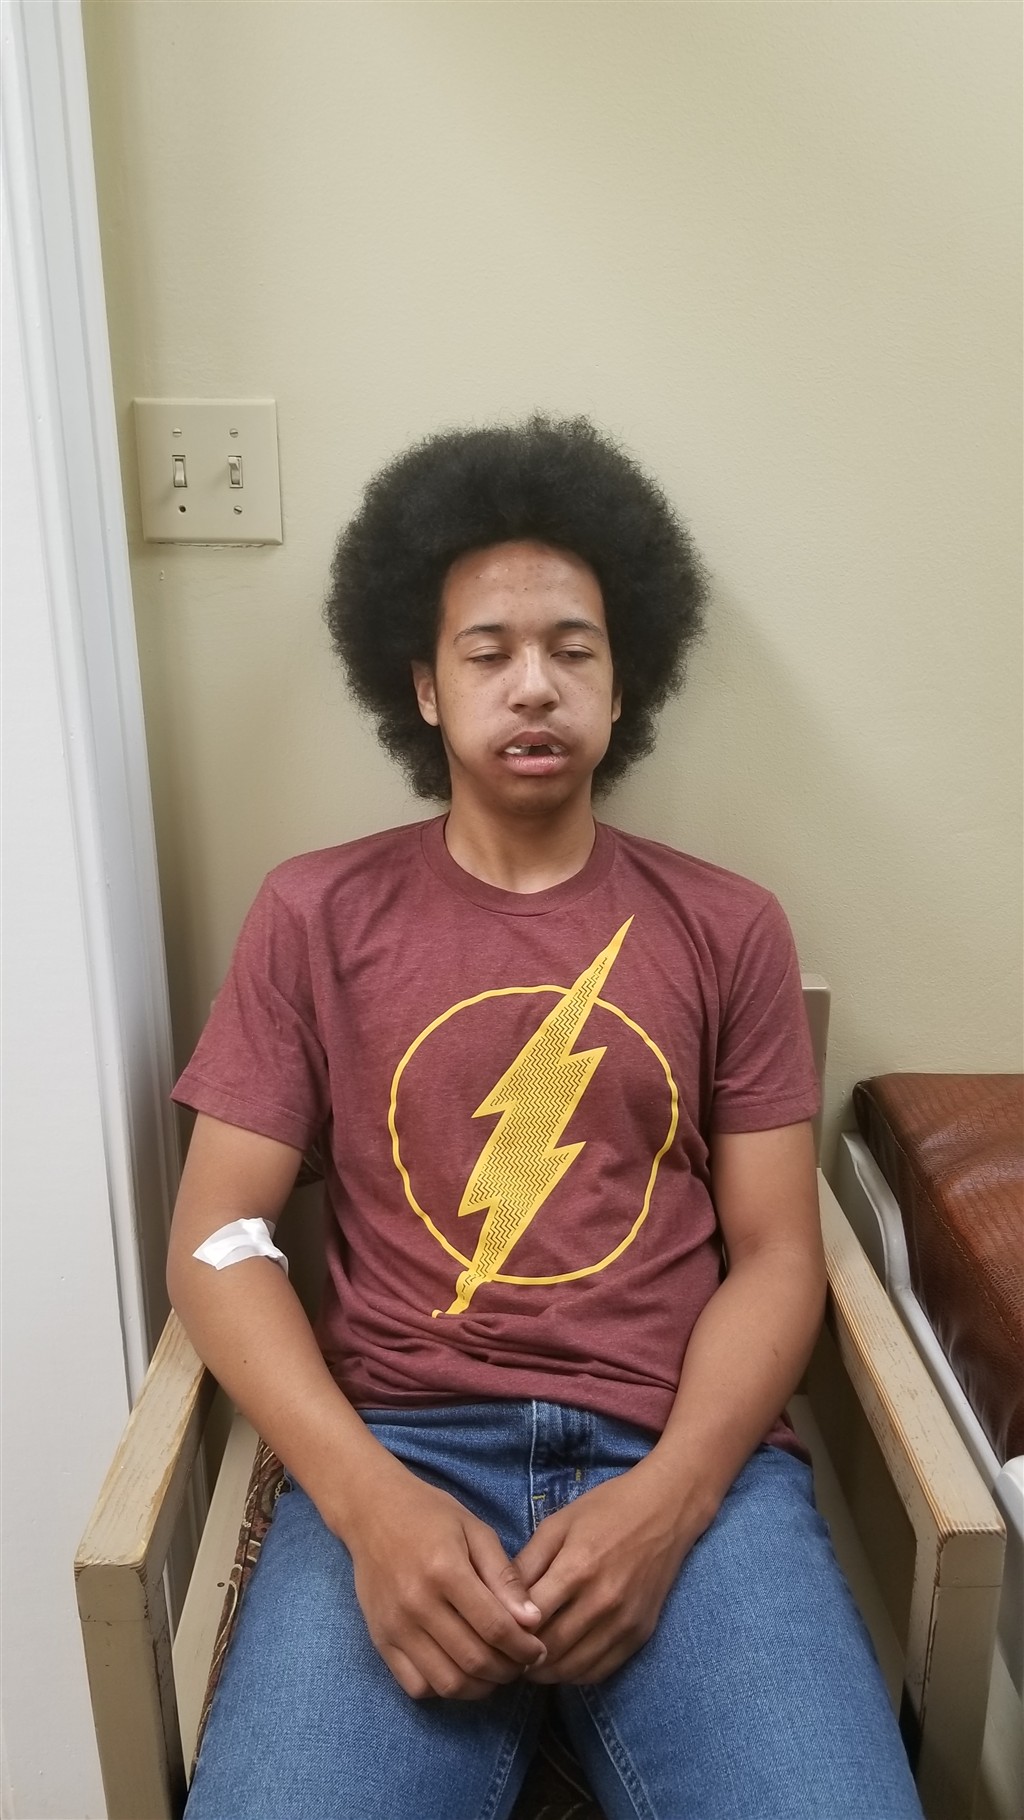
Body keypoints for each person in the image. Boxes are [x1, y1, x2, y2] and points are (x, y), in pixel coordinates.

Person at [169, 416, 923, 1820]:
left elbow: (777, 1254)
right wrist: (364, 1502)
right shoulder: (312, 915)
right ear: (421, 683)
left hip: (681, 1460)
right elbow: (217, 1236)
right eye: (488, 652)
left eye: (574, 651)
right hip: (397, 1450)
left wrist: (674, 1501)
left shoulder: (728, 927)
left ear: (625, 683)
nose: (534, 685)